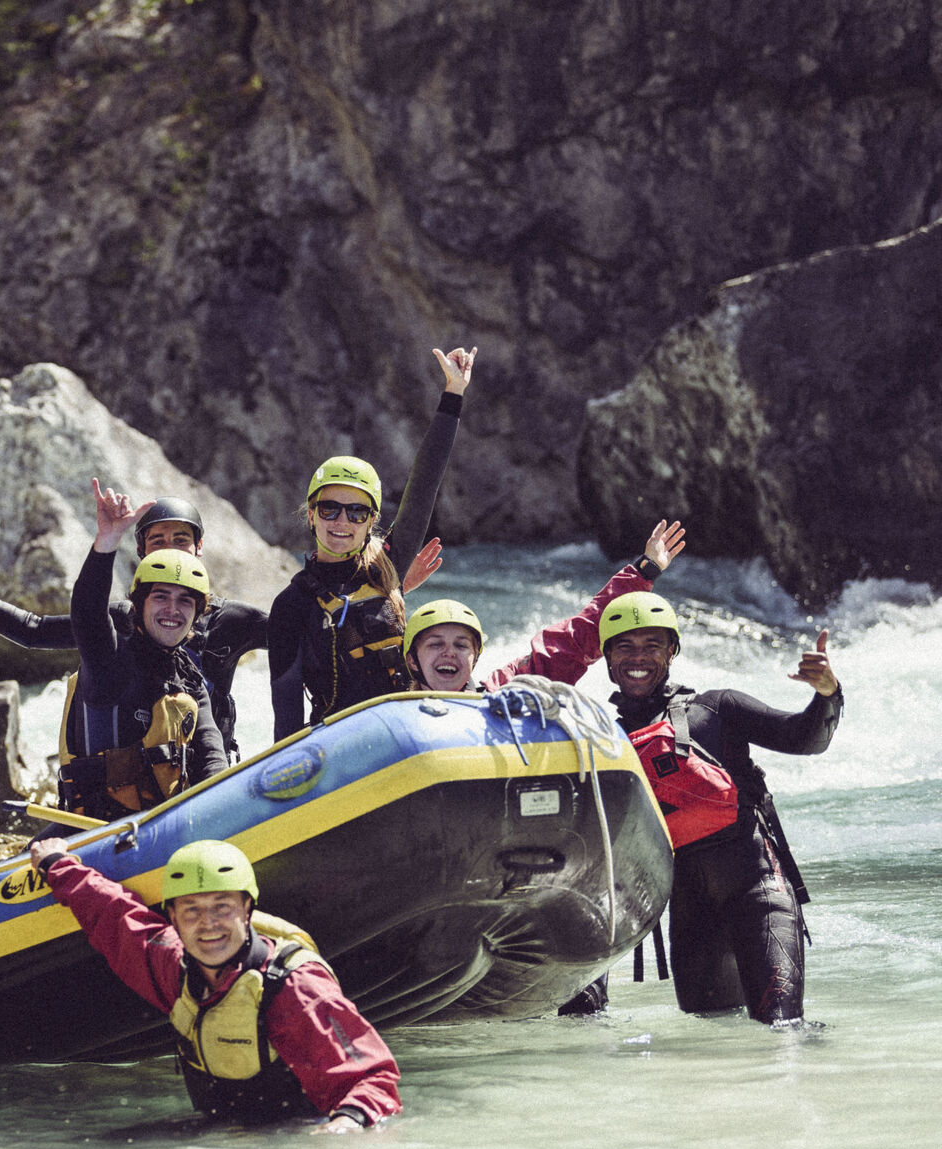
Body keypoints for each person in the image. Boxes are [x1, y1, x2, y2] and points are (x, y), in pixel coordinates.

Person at [0, 502, 444, 762]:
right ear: (141, 554)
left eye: (181, 540)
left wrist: (388, 592)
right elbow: (34, 630)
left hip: (210, 767)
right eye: (157, 541)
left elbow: (317, 635)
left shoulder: (232, 620)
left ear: (199, 549)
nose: (170, 549)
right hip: (133, 774)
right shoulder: (120, 622)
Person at [29, 836, 400, 1128]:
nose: (208, 923)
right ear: (173, 916)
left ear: (247, 909)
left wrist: (345, 1127)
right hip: (221, 1132)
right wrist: (57, 864)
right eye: (192, 909)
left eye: (222, 906)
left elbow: (374, 1081)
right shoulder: (171, 966)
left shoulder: (294, 987)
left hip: (299, 1133)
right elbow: (113, 915)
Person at [598, 593, 842, 1025]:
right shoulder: (603, 744)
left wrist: (827, 695)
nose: (638, 658)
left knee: (784, 1030)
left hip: (759, 896)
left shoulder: (716, 709)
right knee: (710, 1043)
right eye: (625, 646)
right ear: (608, 658)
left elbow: (804, 738)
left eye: (652, 645)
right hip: (692, 920)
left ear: (672, 652)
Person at [266, 346, 476, 735]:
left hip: (409, 731)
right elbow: (287, 715)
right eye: (329, 509)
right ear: (311, 515)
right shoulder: (290, 606)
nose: (342, 522)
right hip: (342, 747)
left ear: (372, 521)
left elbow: (424, 485)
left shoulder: (387, 567)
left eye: (357, 513)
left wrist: (454, 392)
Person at [54, 481, 228, 819]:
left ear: (196, 614)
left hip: (164, 826)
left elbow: (212, 757)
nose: (172, 610)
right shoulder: (109, 662)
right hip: (95, 830)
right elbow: (87, 613)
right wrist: (106, 543)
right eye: (160, 597)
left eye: (185, 601)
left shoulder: (189, 681)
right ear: (140, 603)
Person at [400, 520, 688, 693]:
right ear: (412, 660)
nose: (450, 653)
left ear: (475, 658)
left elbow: (576, 640)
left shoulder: (500, 695)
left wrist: (644, 571)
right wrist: (395, 590)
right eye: (435, 644)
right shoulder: (386, 705)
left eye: (462, 645)